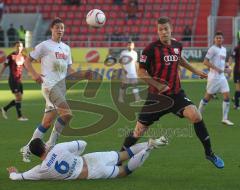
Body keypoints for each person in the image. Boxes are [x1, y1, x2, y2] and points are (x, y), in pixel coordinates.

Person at [119, 17, 224, 169]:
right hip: (156, 97)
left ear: (171, 29)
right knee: (138, 131)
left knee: (196, 115)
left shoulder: (177, 45)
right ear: (157, 31)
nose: (163, 32)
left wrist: (195, 70)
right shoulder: (150, 49)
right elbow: (141, 72)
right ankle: (119, 158)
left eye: (166, 29)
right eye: (160, 29)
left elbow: (179, 59)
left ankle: (209, 153)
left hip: (176, 94)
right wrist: (157, 85)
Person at [20, 18, 75, 163]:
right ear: (51, 29)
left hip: (61, 87)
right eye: (57, 27)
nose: (60, 30)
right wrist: (34, 74)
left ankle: (27, 147)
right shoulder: (44, 45)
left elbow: (69, 68)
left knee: (46, 123)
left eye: (62, 28)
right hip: (49, 85)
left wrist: (82, 74)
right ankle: (50, 146)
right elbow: (27, 61)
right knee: (67, 114)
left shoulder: (67, 48)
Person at [7, 136, 168, 180]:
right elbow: (82, 143)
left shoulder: (41, 170)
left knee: (124, 170)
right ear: (45, 145)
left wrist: (13, 173)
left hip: (92, 173)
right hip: (91, 159)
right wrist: (73, 155)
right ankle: (149, 143)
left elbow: (19, 177)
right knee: (124, 155)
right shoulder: (59, 148)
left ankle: (150, 148)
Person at [198, 31, 234, 126]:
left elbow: (223, 63)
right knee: (207, 98)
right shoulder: (212, 49)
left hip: (222, 78)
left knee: (226, 96)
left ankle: (225, 119)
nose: (219, 39)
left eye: (220, 38)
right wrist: (217, 69)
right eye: (217, 38)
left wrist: (227, 68)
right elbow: (205, 62)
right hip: (213, 78)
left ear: (223, 39)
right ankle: (198, 114)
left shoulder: (224, 49)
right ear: (214, 39)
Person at [0, 41, 28, 121]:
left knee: (19, 98)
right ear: (14, 47)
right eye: (17, 46)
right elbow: (4, 66)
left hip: (19, 81)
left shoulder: (23, 56)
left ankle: (4, 109)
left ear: (22, 47)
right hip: (13, 80)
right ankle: (19, 117)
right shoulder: (11, 56)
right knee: (18, 97)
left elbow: (27, 67)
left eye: (20, 46)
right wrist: (0, 75)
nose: (19, 48)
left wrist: (32, 74)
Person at [228, 40, 240, 110]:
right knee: (238, 88)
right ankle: (236, 105)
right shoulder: (237, 48)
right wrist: (229, 67)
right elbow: (231, 57)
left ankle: (235, 98)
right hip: (237, 71)